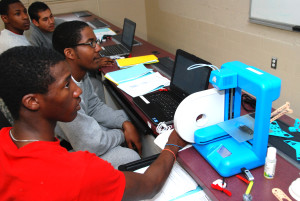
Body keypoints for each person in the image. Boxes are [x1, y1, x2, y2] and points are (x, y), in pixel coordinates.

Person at [0, 46, 187, 200]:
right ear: (32, 101)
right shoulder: (80, 172)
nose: (77, 91)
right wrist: (172, 144)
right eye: (66, 85)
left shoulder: (4, 138)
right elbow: (149, 185)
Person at [52, 21, 142, 168]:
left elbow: (94, 107)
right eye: (91, 43)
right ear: (69, 53)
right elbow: (91, 144)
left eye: (96, 42)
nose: (99, 48)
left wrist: (124, 123)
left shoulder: (79, 74)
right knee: (129, 157)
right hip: (67, 151)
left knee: (129, 117)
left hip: (83, 138)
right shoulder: (64, 92)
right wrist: (121, 132)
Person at [0, 0, 31, 127]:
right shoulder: (11, 44)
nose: (25, 17)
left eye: (25, 12)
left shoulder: (12, 35)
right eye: (18, 14)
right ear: (5, 18)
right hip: (16, 106)